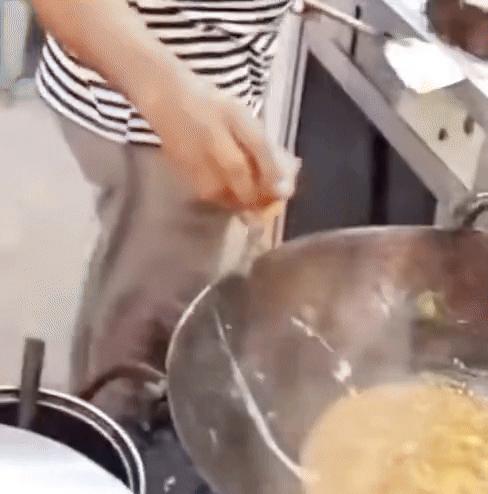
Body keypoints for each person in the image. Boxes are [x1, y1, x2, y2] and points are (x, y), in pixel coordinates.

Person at [31, 0, 300, 421]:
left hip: (197, 92)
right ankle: (110, 439)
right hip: (154, 118)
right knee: (142, 330)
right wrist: (168, 100)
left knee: (139, 281)